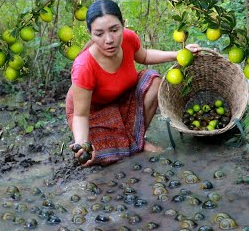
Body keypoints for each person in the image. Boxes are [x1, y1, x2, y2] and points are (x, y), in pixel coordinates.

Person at [66, 0, 199, 166]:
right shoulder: (84, 66)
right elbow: (80, 115)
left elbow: (144, 57)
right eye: (99, 34)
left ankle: (138, 139)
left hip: (122, 99)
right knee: (99, 154)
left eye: (114, 30)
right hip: (94, 112)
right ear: (90, 33)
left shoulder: (128, 38)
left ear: (123, 24)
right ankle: (132, 142)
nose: (109, 40)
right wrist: (82, 145)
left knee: (153, 80)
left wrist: (178, 54)